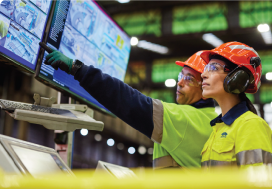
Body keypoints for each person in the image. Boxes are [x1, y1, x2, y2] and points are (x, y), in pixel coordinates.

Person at [43, 47, 217, 169]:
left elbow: (128, 100)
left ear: (205, 88)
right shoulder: (210, 119)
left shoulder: (185, 119)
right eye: (181, 75)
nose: (179, 82)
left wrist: (78, 70)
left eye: (189, 79)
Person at [199, 41, 272, 168]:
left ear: (237, 77)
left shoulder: (250, 125)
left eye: (214, 68)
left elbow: (257, 185)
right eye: (206, 68)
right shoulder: (218, 128)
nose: (203, 74)